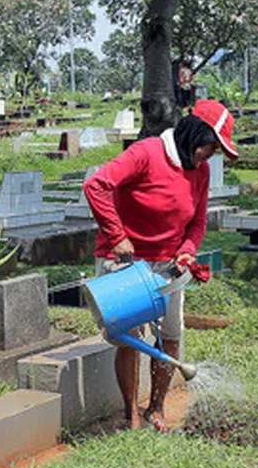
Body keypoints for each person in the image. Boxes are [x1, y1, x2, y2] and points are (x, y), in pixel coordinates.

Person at [83, 99, 239, 430]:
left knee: (170, 334)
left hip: (168, 265)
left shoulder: (201, 171)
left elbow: (197, 222)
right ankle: (132, 414)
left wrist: (187, 250)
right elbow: (96, 186)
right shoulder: (147, 153)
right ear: (194, 134)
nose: (208, 156)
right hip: (125, 262)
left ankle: (157, 407)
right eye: (208, 148)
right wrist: (117, 236)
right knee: (131, 335)